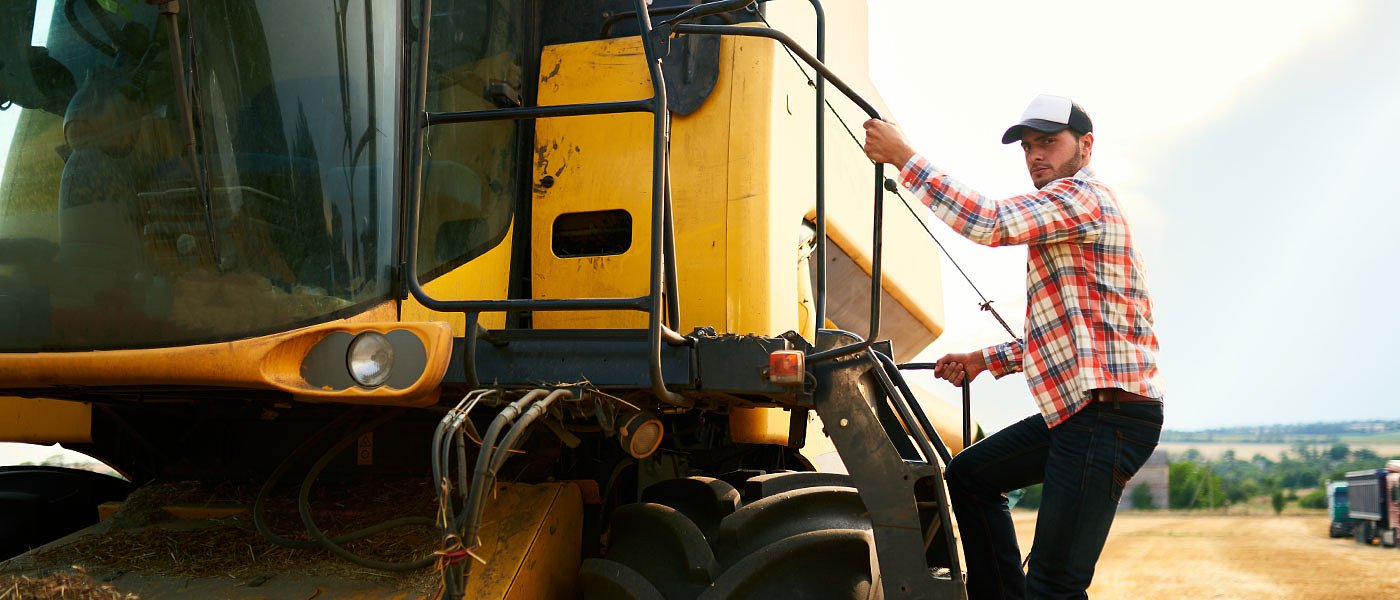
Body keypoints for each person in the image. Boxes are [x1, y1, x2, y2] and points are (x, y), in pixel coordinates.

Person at [863, 95, 1165, 600]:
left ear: (1086, 146)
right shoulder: (1066, 215)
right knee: (970, 476)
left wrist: (904, 158)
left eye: (1048, 141)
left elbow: (991, 221)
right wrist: (984, 360)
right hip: (1081, 414)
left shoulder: (1081, 198)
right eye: (1027, 146)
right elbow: (1067, 335)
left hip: (1107, 416)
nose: (1035, 155)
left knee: (1054, 586)